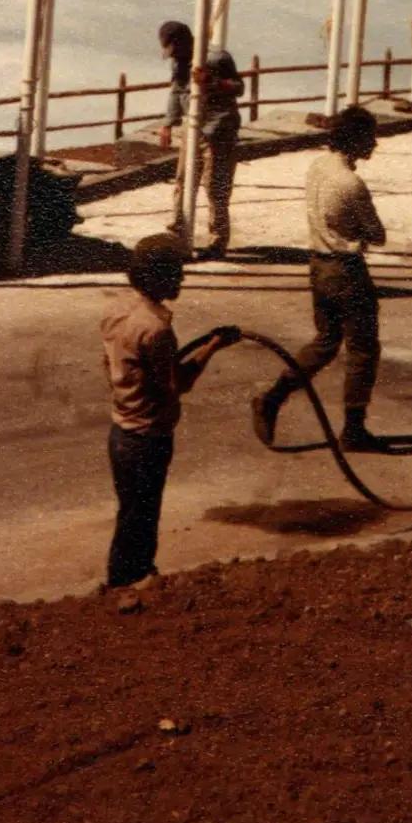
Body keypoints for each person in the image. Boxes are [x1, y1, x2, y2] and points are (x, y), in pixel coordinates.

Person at [100, 232, 238, 589]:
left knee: (131, 513)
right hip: (148, 437)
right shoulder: (157, 330)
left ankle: (126, 578)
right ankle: (128, 582)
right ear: (157, 276)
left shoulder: (119, 311)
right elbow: (178, 384)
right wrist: (214, 347)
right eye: (175, 271)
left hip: (121, 432)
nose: (182, 278)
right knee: (142, 518)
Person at [251, 104, 386, 454]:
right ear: (356, 139)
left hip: (318, 267)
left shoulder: (318, 167)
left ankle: (273, 397)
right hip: (347, 271)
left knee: (325, 341)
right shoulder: (351, 183)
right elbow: (377, 233)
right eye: (369, 137)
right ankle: (354, 430)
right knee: (363, 349)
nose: (374, 144)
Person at [159, 28, 244, 260]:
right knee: (183, 180)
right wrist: (168, 124)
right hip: (193, 127)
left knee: (215, 187)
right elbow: (176, 91)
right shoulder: (179, 63)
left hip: (219, 129)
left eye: (176, 51)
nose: (174, 57)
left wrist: (212, 82)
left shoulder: (218, 58)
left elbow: (239, 88)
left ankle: (217, 241)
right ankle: (177, 231)